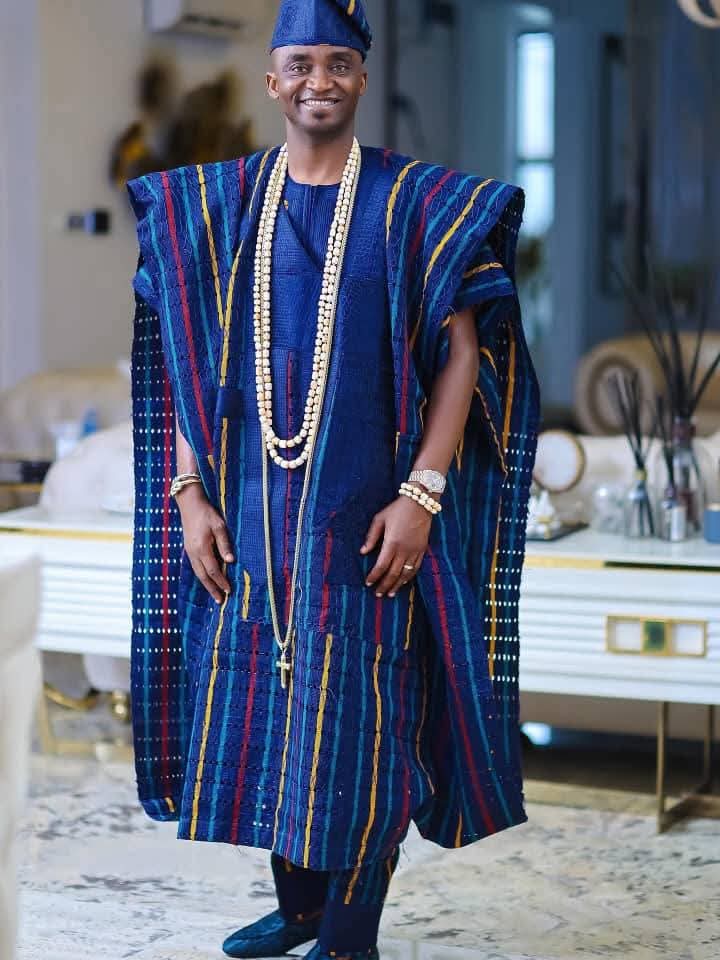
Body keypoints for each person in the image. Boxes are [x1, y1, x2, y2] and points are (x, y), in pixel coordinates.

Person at [126, 1, 540, 957]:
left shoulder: (413, 203)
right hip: (247, 517)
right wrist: (189, 494)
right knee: (271, 709)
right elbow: (189, 357)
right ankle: (304, 909)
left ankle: (350, 937)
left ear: (361, 77)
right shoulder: (222, 205)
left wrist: (422, 495)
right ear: (274, 80)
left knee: (360, 720)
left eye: (340, 63)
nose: (321, 80)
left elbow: (462, 353)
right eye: (303, 63)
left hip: (366, 514)